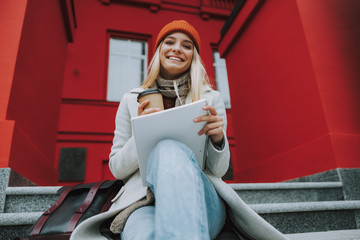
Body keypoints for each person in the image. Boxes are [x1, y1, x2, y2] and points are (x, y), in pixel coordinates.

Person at [70, 20, 289, 240]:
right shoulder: (130, 100)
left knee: (168, 148)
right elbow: (117, 169)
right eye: (170, 42)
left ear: (193, 56)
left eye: (187, 45)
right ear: (159, 50)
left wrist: (218, 139)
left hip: (201, 199)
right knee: (143, 235)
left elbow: (219, 170)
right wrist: (142, 133)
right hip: (143, 203)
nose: (177, 48)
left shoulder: (210, 98)